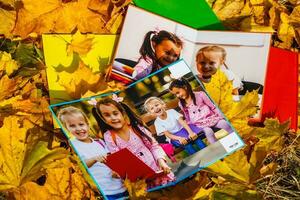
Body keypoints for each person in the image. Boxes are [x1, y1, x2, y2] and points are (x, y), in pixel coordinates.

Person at [95, 96, 175, 188]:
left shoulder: (137, 128)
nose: (113, 118)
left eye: (115, 113)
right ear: (103, 118)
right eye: (107, 115)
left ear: (122, 113)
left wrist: (161, 162)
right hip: (140, 180)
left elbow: (153, 146)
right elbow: (120, 160)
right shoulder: (109, 136)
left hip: (158, 171)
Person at [57, 106, 128, 200]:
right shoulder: (72, 146)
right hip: (105, 192)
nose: (78, 128)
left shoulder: (100, 142)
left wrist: (116, 171)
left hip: (121, 187)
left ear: (87, 124)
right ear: (66, 128)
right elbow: (78, 167)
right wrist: (94, 159)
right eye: (72, 126)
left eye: (81, 124)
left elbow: (112, 160)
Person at [169, 78, 234, 144]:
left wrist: (221, 116)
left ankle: (237, 139)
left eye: (178, 92)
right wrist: (191, 128)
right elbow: (187, 116)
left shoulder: (200, 95)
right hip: (199, 124)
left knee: (225, 124)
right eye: (175, 94)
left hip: (211, 118)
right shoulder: (181, 104)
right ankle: (219, 147)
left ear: (185, 87)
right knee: (209, 132)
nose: (177, 96)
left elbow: (212, 107)